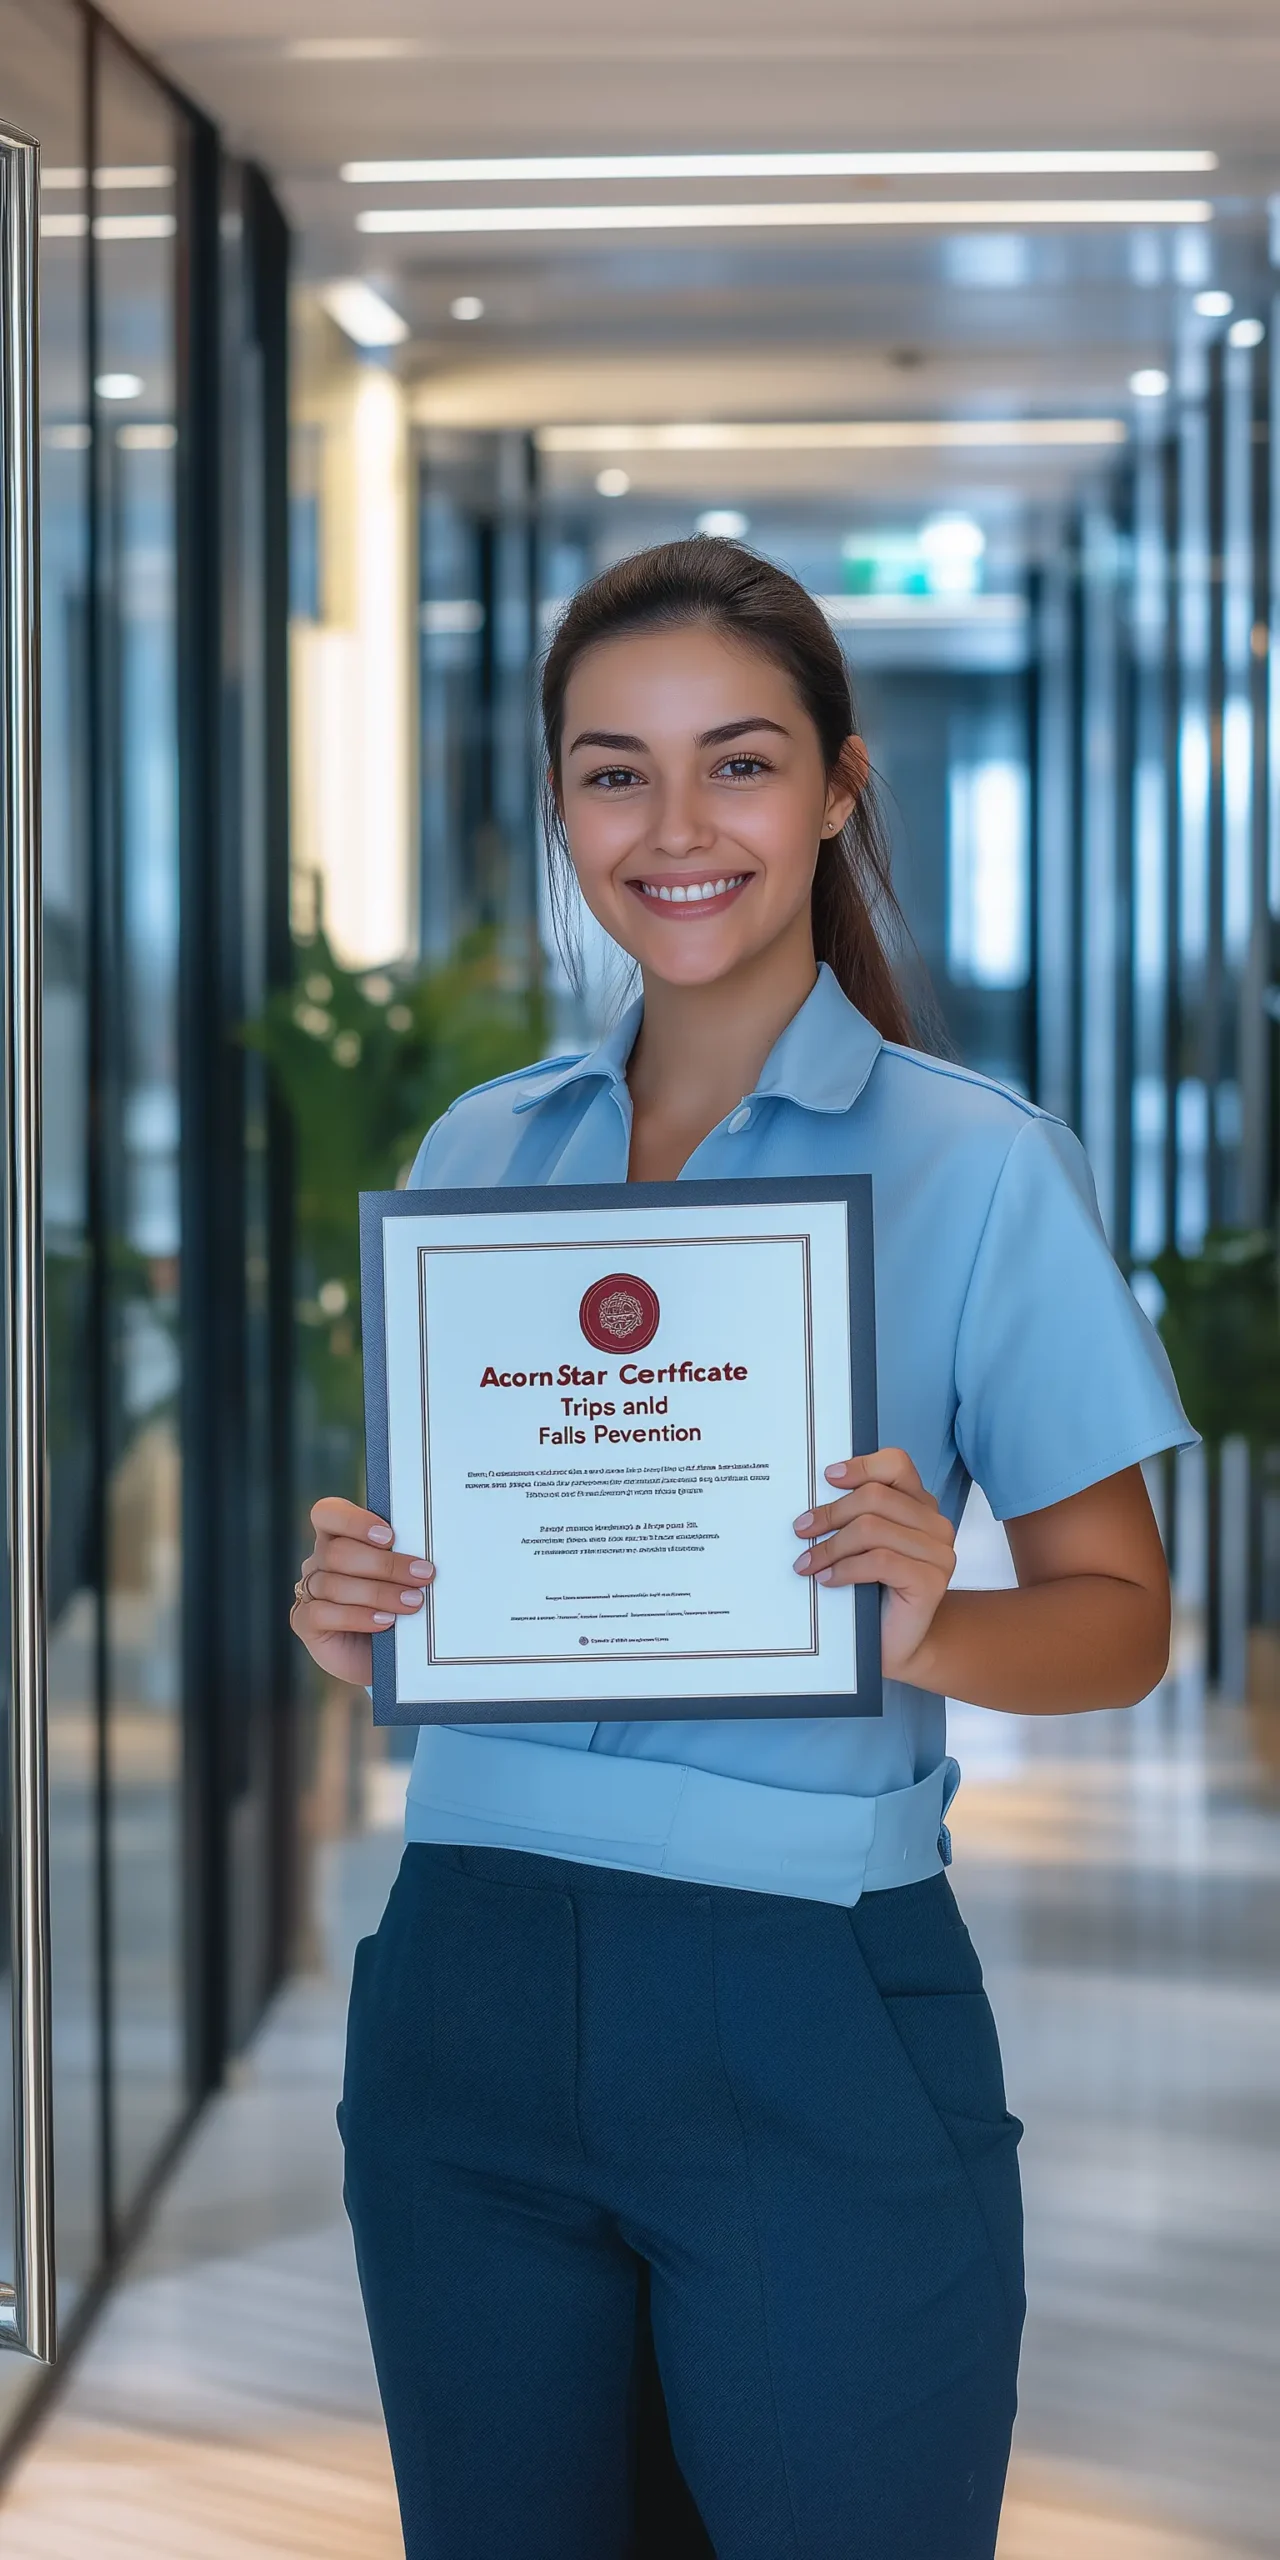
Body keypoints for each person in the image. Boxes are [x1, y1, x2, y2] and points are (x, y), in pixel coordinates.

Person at [290, 538, 1193, 2560]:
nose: (676, 828)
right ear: (557, 807)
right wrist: (366, 1614)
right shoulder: (475, 1153)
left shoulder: (979, 1163)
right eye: (615, 772)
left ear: (839, 787)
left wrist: (931, 1611)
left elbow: (1122, 1624)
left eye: (739, 764)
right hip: (469, 1976)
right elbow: (451, 1574)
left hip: (807, 2003)